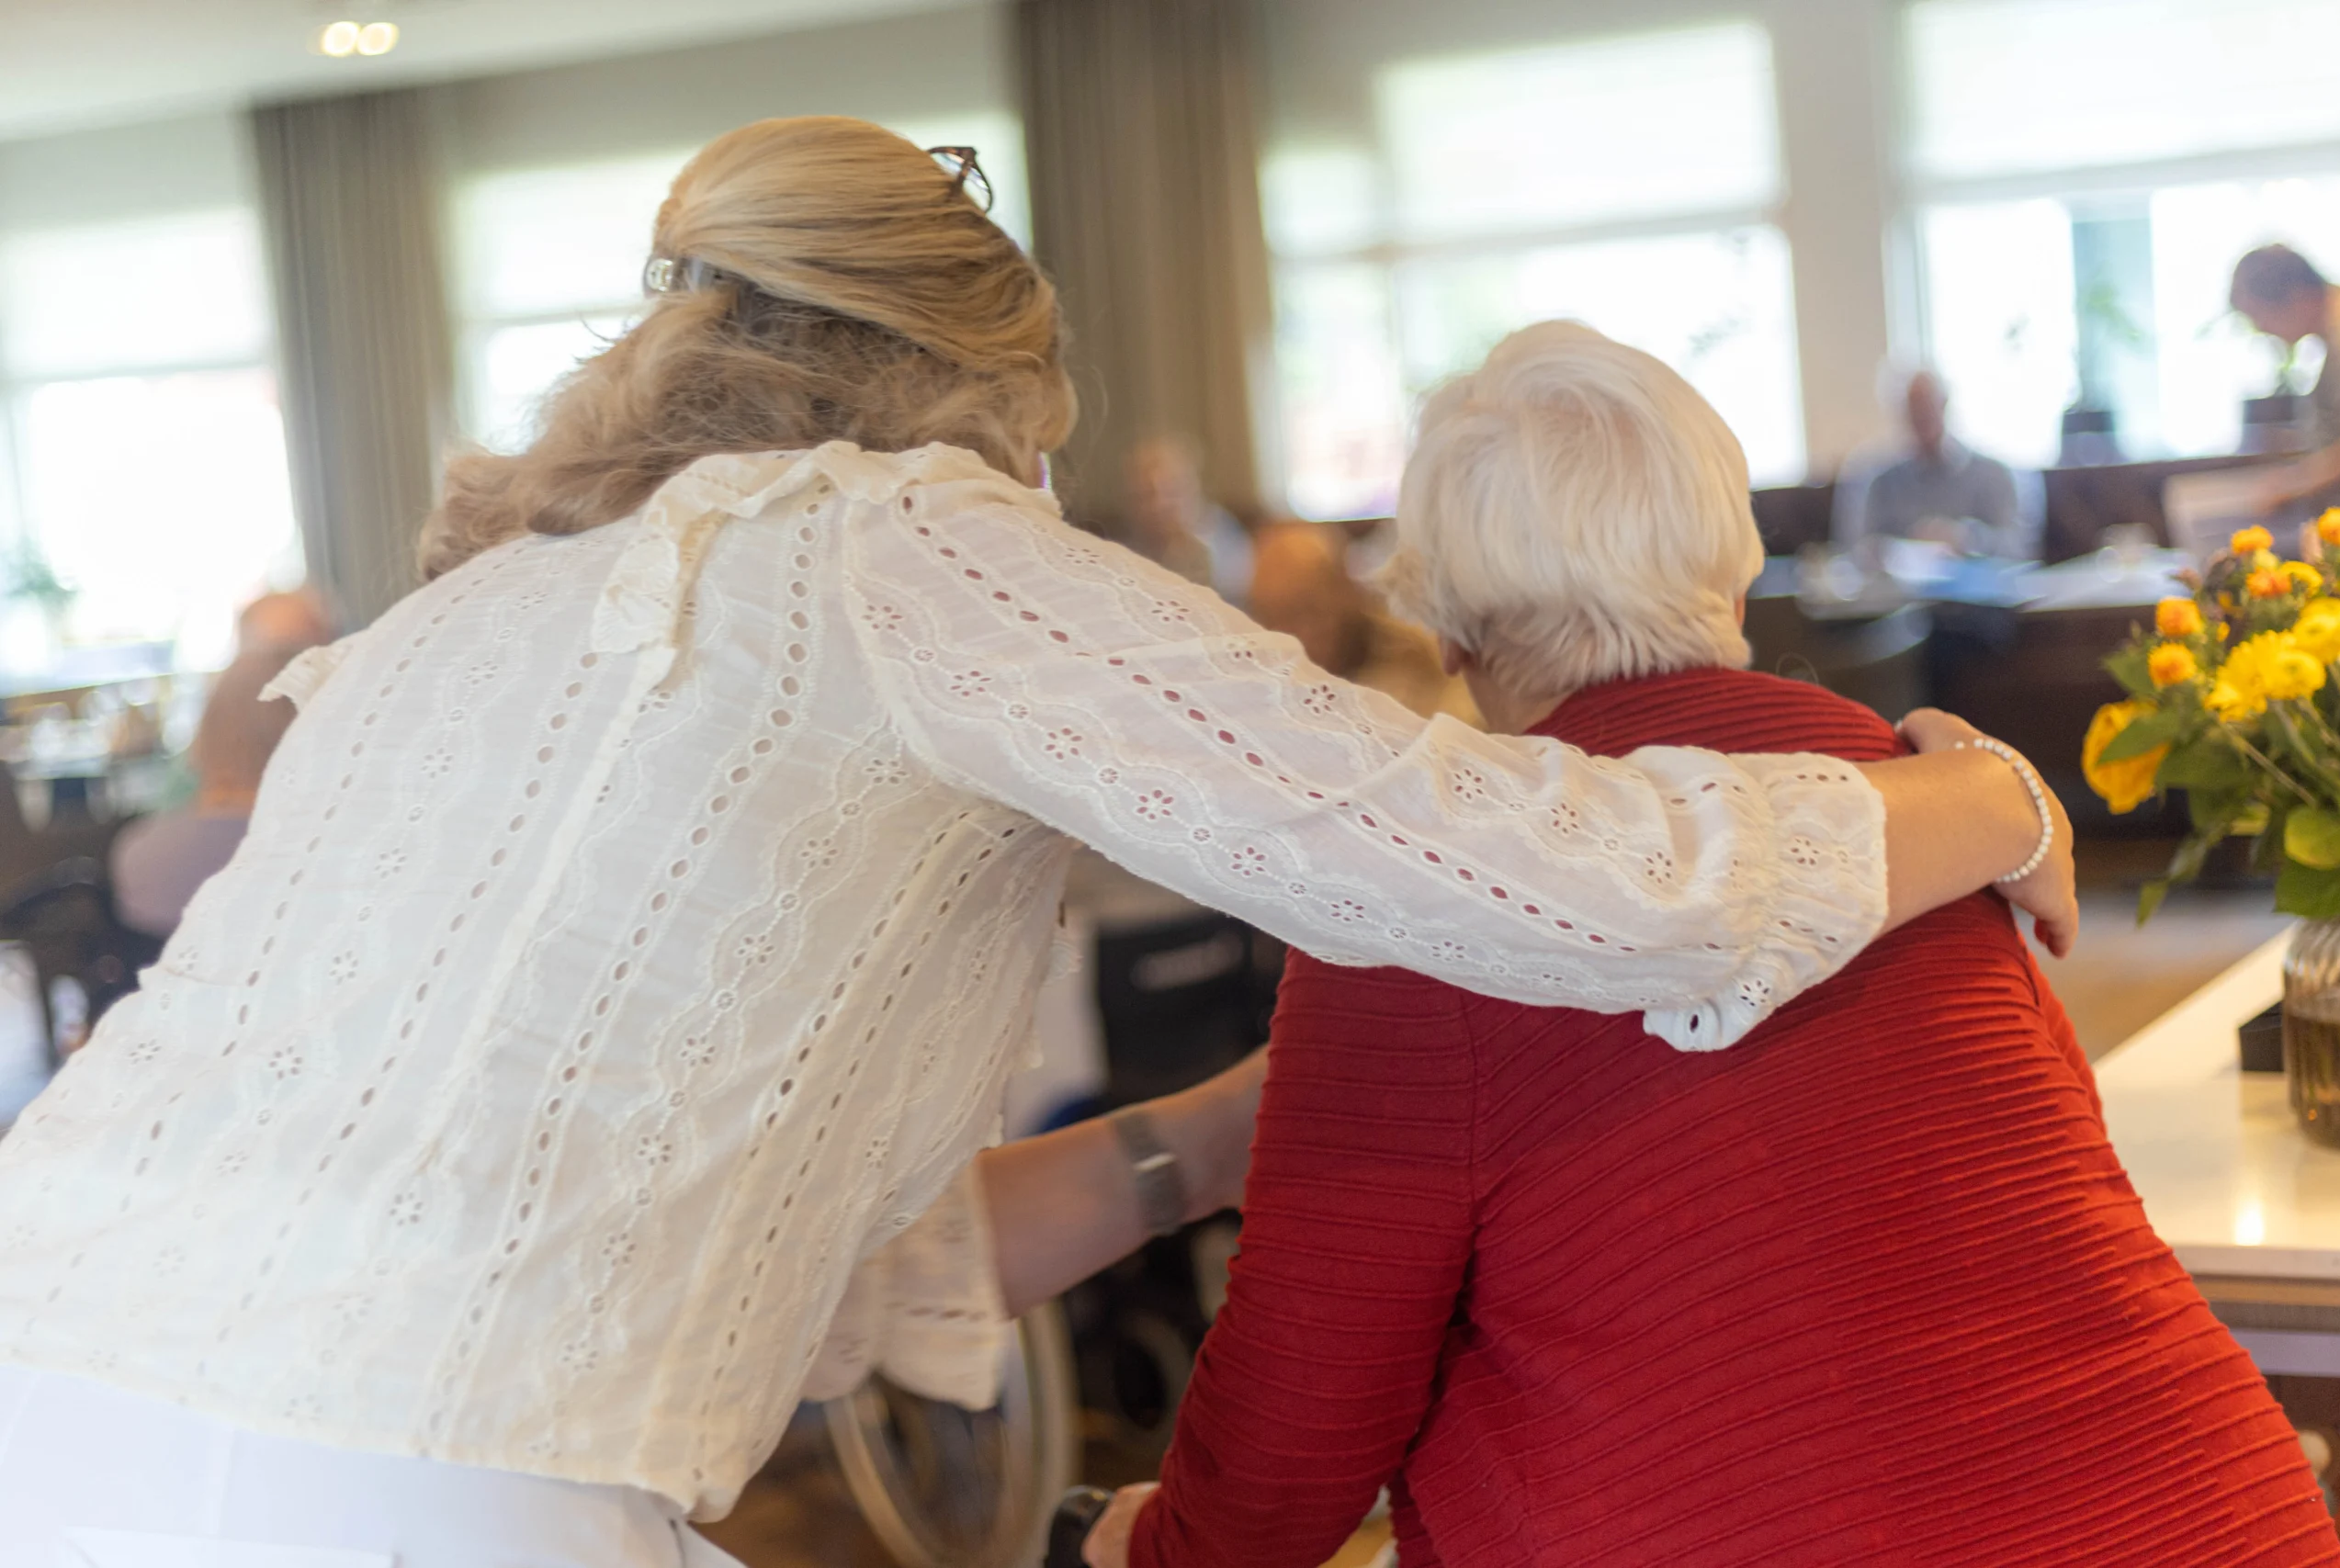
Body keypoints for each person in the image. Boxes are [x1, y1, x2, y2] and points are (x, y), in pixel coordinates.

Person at [0, 120, 2071, 1567]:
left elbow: (739, 1234)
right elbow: (1576, 875)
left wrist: (1251, 1124)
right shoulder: (909, 539)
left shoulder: (480, 609)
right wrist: (1978, 794)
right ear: (985, 394)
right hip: (395, 1473)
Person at [1086, 324, 2337, 1568]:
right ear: (1734, 585)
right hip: (2219, 1507)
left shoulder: (1415, 890)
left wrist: (1143, 1542)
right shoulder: (1927, 796)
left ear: (1455, 636)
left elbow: (1294, 1428)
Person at [108, 592, 337, 937]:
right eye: (290, 650)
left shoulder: (140, 853)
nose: (310, 665)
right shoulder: (318, 854)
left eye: (322, 645)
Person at [1248, 522, 1477, 725]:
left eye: (1306, 612)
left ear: (1345, 591)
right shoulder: (1264, 691)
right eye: (1273, 620)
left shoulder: (1418, 657)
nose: (1294, 637)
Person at [1834, 368, 2034, 559]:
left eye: (1927, 404)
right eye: (1913, 406)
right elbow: (1857, 550)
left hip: (1980, 593)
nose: (1921, 414)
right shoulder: (1880, 481)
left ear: (1944, 404)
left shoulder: (1993, 475)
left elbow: (2019, 550)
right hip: (1903, 594)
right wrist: (1896, 551)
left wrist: (1967, 539)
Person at [2233, 244, 2340, 517]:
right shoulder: (2336, 326)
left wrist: (2295, 482)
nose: (2262, 329)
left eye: (2259, 315)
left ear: (2297, 297)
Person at [1123, 434, 1254, 602]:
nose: (1159, 505)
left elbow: (1236, 600)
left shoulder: (1221, 538)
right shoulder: (1132, 547)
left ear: (1193, 486)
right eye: (1146, 495)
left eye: (1171, 491)